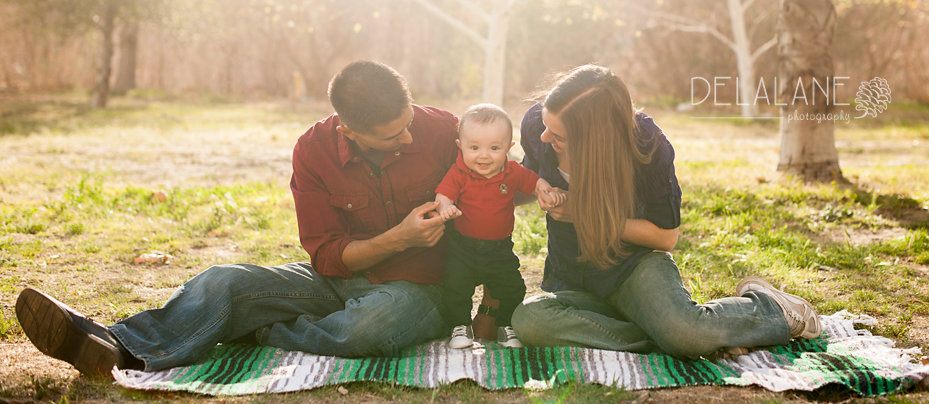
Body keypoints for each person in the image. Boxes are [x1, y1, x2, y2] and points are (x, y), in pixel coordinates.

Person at [15, 61, 457, 377]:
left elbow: (499, 179)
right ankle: (116, 347)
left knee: (365, 329)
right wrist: (398, 239)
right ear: (349, 131)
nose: (408, 136)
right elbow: (325, 256)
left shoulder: (443, 131)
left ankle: (257, 329)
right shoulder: (314, 149)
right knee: (222, 281)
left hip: (417, 290)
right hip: (337, 278)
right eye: (392, 135)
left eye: (408, 120)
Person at [511, 64, 821, 358]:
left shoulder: (646, 144)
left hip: (634, 267)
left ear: (596, 137)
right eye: (546, 126)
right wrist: (485, 185)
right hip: (574, 277)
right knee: (531, 320)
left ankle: (770, 309)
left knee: (685, 331)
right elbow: (529, 177)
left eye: (559, 136)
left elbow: (665, 237)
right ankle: (684, 335)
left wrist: (585, 213)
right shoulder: (541, 124)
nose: (544, 137)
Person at [433, 103, 565, 350]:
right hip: (463, 248)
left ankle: (506, 326)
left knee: (513, 287)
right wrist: (445, 208)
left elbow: (535, 181)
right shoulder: (459, 172)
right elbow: (443, 194)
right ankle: (459, 326)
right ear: (460, 147)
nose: (484, 155)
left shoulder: (512, 171)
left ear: (508, 148)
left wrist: (546, 191)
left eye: (494, 148)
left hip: (500, 250)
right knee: (456, 288)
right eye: (474, 148)